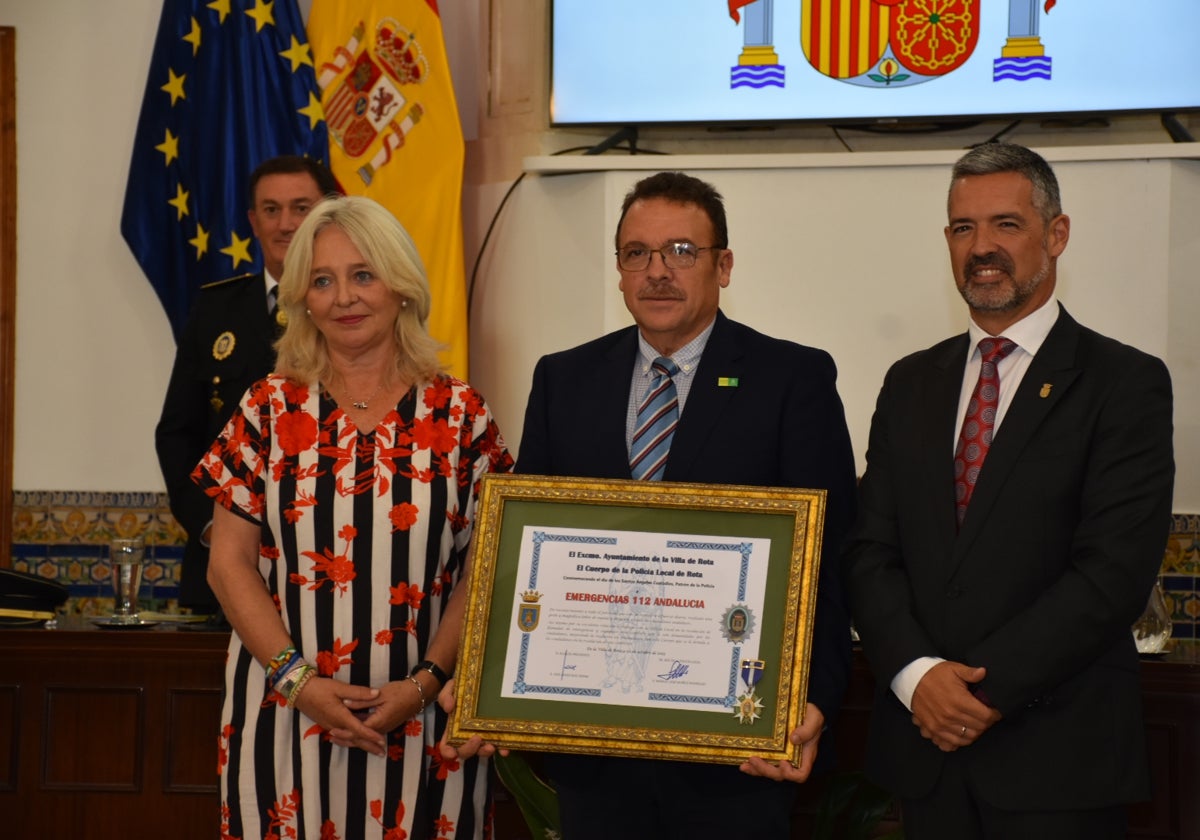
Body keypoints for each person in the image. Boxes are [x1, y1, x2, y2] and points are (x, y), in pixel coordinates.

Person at [448, 171, 858, 839]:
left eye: (681, 251)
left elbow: (830, 560)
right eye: (637, 253)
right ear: (618, 271)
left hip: (736, 753)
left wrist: (813, 699)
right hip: (595, 754)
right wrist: (491, 686)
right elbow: (527, 553)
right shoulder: (565, 379)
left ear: (723, 265)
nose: (657, 272)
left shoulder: (792, 379)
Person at [844, 143, 1175, 839]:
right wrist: (915, 676)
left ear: (1056, 235)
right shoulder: (910, 383)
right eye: (963, 228)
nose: (982, 247)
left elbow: (1111, 575)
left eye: (1006, 225)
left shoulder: (1123, 384)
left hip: (1059, 760)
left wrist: (980, 694)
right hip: (925, 752)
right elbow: (870, 551)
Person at [193, 195, 513, 839]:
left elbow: (488, 570)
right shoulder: (268, 409)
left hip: (426, 720)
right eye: (321, 280)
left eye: (363, 274)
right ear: (301, 299)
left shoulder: (461, 416)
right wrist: (301, 684)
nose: (344, 296)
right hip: (284, 716)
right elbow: (228, 568)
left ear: (401, 286)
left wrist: (424, 686)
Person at [156, 155, 341, 613]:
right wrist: (211, 528)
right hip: (221, 566)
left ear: (327, 213)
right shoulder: (215, 309)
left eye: (301, 207)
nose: (286, 224)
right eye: (272, 210)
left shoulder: (351, 310)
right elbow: (178, 434)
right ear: (253, 221)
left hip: (326, 562)